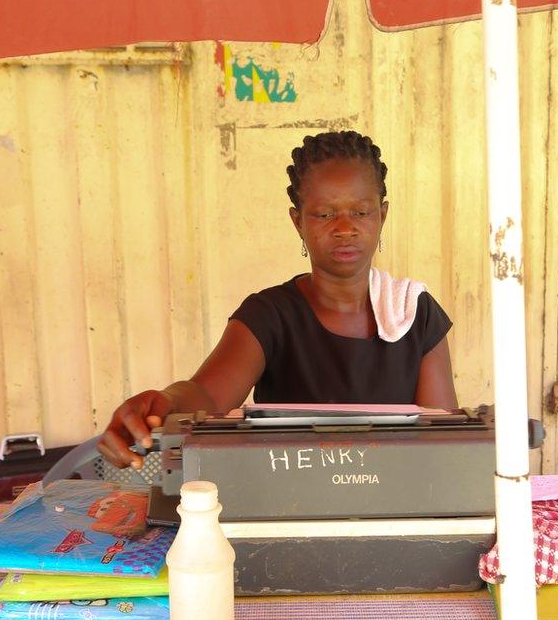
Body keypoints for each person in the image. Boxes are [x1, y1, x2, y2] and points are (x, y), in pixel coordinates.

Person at [98, 131, 458, 469]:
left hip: (398, 507)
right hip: (290, 508)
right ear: (298, 222)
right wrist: (167, 402)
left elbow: (443, 441)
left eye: (361, 212)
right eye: (324, 214)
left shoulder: (415, 313)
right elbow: (206, 397)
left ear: (382, 215)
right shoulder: (270, 316)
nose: (344, 227)